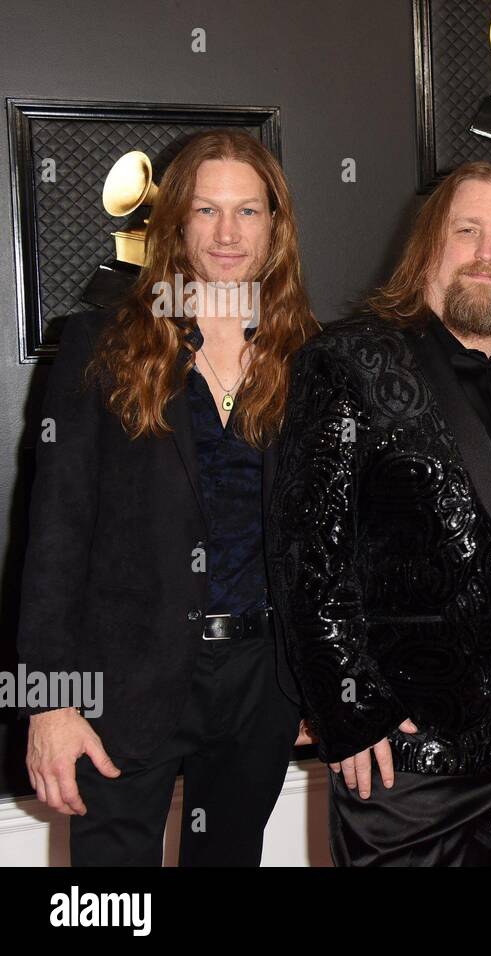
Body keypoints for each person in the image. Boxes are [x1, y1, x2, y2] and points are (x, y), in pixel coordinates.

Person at [268, 161, 491, 866]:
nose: (487, 253)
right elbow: (307, 557)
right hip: (411, 756)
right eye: (467, 231)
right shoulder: (349, 361)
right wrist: (352, 713)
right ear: (427, 253)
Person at [19, 129, 317, 865]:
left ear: (275, 226)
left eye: (248, 212)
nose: (226, 233)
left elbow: (325, 539)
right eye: (206, 211)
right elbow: (55, 534)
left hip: (259, 681)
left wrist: (318, 680)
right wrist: (50, 700)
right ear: (175, 222)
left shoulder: (308, 357)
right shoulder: (102, 344)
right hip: (123, 681)